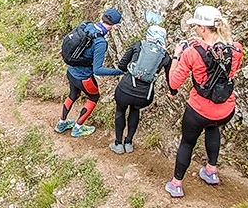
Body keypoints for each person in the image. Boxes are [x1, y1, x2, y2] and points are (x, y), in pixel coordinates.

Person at [165, 6, 243, 198]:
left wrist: (177, 55)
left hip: (199, 110)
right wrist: (201, 44)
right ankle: (211, 171)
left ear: (202, 28)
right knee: (212, 128)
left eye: (197, 27)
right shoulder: (236, 49)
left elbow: (173, 82)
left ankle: (176, 184)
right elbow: (223, 63)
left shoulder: (192, 53)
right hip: (225, 109)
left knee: (187, 143)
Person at [56, 8, 124, 137]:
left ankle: (61, 123)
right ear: (114, 26)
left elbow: (70, 41)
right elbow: (97, 70)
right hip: (84, 78)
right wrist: (119, 71)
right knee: (94, 97)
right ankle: (78, 128)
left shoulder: (86, 25)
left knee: (72, 94)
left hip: (71, 71)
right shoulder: (100, 42)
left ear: (102, 17)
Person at [110, 24, 173, 154]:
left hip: (125, 89)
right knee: (135, 111)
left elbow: (122, 65)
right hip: (145, 95)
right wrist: (173, 92)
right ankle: (128, 142)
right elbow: (170, 79)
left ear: (148, 36)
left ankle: (118, 143)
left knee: (120, 111)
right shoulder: (165, 56)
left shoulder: (138, 45)